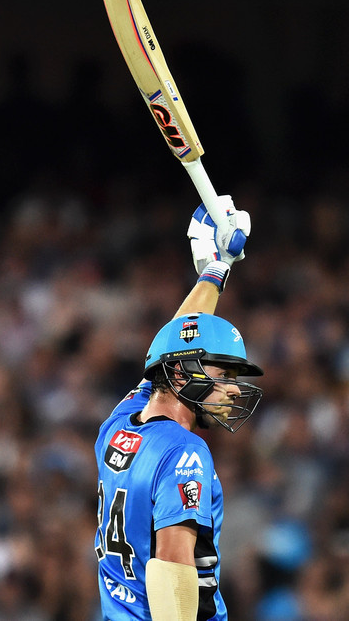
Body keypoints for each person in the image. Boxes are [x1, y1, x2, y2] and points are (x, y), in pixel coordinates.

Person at [94, 197, 262, 621]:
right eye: (224, 373)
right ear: (185, 376)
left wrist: (216, 271)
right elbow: (171, 568)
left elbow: (173, 345)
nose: (233, 388)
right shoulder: (184, 451)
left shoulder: (118, 425)